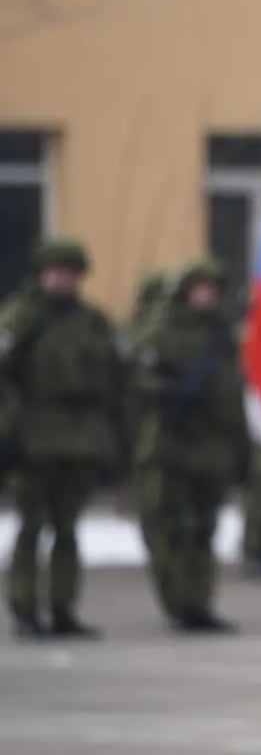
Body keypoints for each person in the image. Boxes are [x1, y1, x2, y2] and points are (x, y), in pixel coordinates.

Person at [0, 239, 127, 638]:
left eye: (69, 273)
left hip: (80, 441)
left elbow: (113, 381)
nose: (61, 280)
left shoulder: (93, 322)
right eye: (55, 272)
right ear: (41, 275)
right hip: (32, 440)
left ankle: (63, 607)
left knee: (68, 530)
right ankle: (24, 608)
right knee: (31, 527)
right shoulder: (19, 319)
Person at [132, 260, 244, 632]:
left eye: (212, 289)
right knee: (172, 528)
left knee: (204, 529)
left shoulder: (223, 335)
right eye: (200, 288)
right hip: (172, 445)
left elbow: (234, 388)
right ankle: (178, 603)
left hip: (212, 446)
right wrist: (171, 395)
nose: (207, 295)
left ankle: (200, 603)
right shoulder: (162, 331)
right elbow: (137, 378)